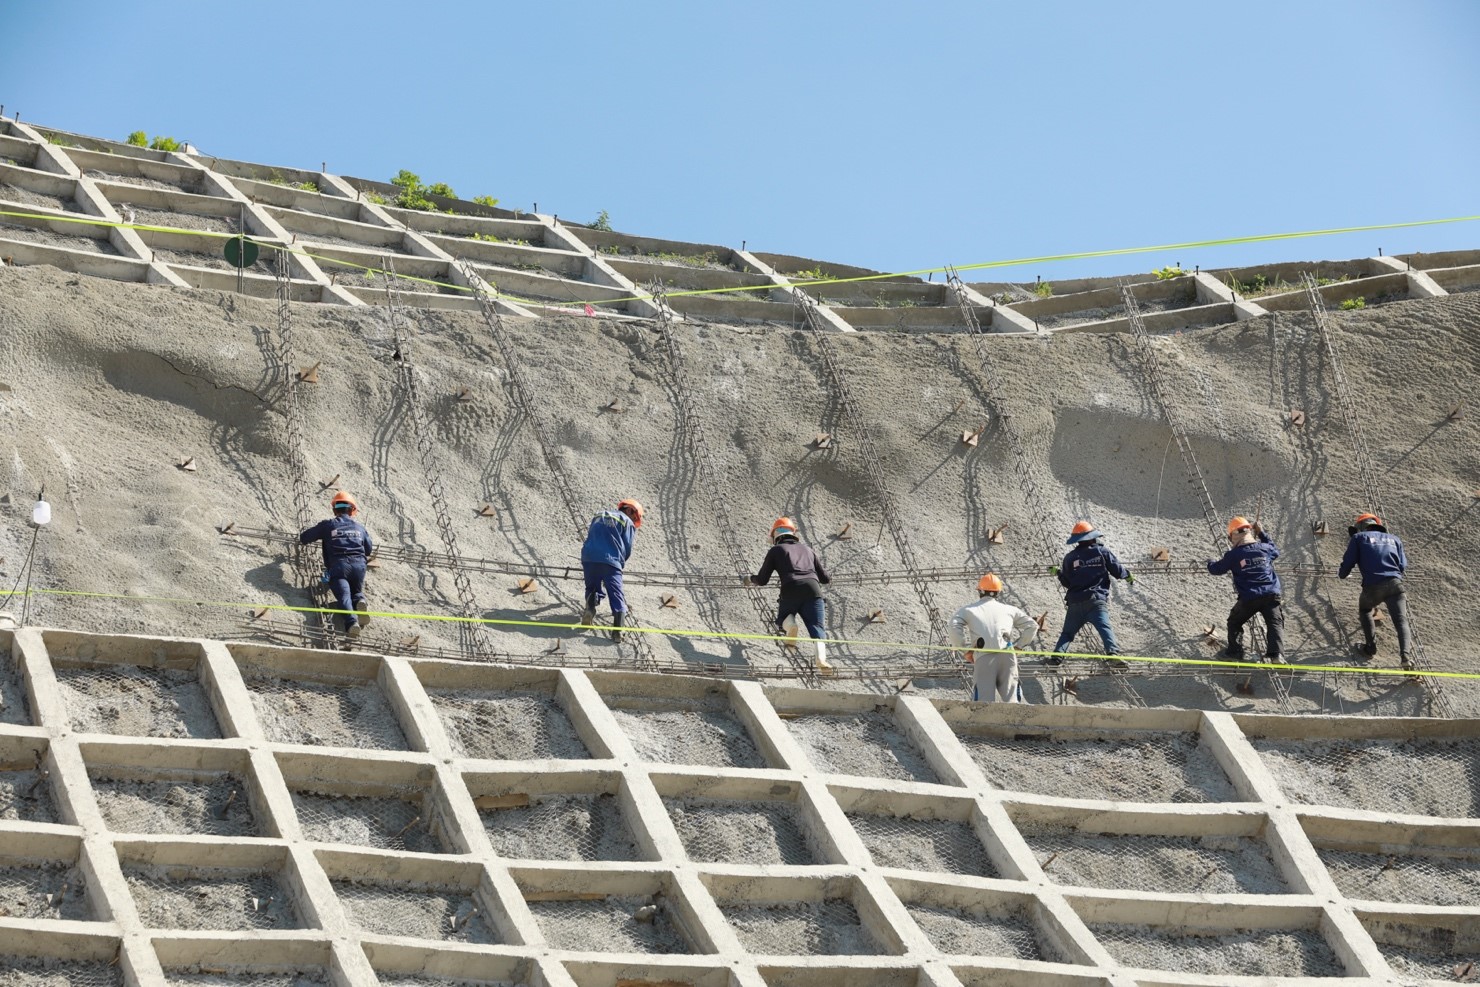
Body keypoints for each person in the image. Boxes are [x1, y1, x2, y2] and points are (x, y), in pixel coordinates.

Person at [749, 517, 833, 671]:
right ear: (794, 534)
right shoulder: (808, 550)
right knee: (817, 627)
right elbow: (825, 579)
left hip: (790, 586)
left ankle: (791, 625)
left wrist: (750, 579)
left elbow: (762, 580)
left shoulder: (776, 550)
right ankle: (821, 660)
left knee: (783, 619)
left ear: (776, 536)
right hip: (813, 589)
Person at [1047, 521, 1133, 669]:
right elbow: (1117, 570)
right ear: (1093, 537)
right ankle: (1113, 654)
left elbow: (1068, 582)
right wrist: (1127, 575)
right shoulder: (1102, 551)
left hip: (1075, 602)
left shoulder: (1070, 557)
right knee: (1105, 628)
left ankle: (1056, 658)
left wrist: (1058, 573)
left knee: (1067, 633)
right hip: (1095, 601)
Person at [1338, 512, 1414, 669]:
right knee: (1401, 620)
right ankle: (1405, 656)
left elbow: (1349, 561)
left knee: (1365, 609)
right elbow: (1402, 566)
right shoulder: (1395, 539)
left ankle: (1370, 648)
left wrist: (1342, 574)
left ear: (1360, 527)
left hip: (1373, 587)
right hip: (1395, 584)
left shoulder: (1358, 538)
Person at [949, 573, 1039, 703]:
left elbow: (953, 626)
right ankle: (1014, 722)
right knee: (1012, 701)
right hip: (1007, 655)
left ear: (980, 591)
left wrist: (964, 650)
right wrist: (1019, 646)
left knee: (983, 703)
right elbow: (1032, 626)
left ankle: (985, 723)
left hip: (983, 656)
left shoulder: (969, 610)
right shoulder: (1009, 609)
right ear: (998, 592)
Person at [1206, 516, 1283, 663]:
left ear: (1234, 536)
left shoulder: (1234, 555)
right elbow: (1275, 551)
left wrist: (1210, 562)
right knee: (1275, 623)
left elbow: (1217, 569)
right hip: (1271, 593)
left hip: (1249, 596)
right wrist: (1261, 533)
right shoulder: (1265, 548)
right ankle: (1276, 655)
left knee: (1234, 622)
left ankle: (1235, 652)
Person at [299, 490, 374, 639]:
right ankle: (360, 600)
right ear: (352, 510)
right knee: (356, 589)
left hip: (339, 566)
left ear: (334, 509)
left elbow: (304, 538)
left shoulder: (328, 525)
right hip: (359, 566)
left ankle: (352, 622)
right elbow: (368, 550)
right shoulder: (360, 528)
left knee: (344, 595)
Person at [581, 499, 643, 642]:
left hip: (589, 557)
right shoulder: (626, 521)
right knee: (616, 593)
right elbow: (627, 547)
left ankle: (590, 609)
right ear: (629, 510)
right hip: (611, 559)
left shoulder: (599, 515)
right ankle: (618, 631)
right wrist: (620, 564)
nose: (633, 521)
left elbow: (591, 534)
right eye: (635, 518)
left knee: (592, 587)